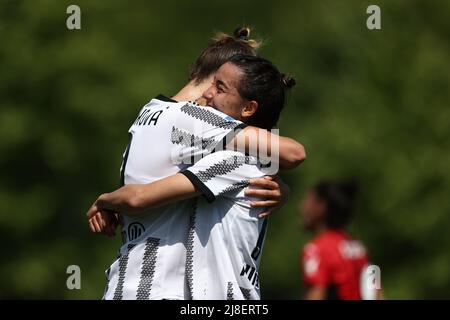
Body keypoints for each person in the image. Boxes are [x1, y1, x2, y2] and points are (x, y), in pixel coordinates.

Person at [88, 28, 305, 300]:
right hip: (157, 288)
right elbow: (292, 151)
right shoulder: (191, 120)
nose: (212, 94)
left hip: (128, 283)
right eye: (218, 83)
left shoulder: (149, 112)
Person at [298, 180, 381, 300]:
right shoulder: (358, 247)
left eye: (307, 200)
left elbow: (316, 294)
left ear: (321, 207)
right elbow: (377, 294)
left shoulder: (317, 250)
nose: (302, 207)